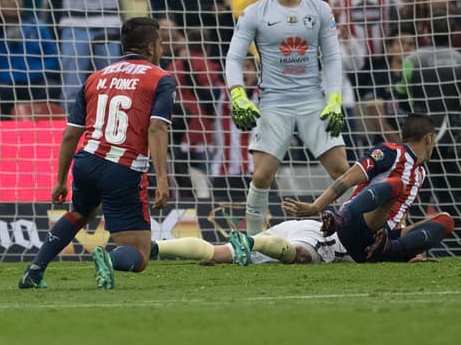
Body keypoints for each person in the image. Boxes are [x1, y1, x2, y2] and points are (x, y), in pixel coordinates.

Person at [19, 17, 174, 290]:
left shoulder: (95, 77)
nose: (161, 47)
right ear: (150, 48)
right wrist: (163, 178)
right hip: (122, 168)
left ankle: (35, 270)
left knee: (81, 212)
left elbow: (70, 134)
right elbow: (157, 128)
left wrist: (59, 180)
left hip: (87, 161)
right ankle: (108, 259)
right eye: (160, 43)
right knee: (139, 254)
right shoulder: (160, 79)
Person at [225, 0, 346, 235]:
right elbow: (233, 58)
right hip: (274, 103)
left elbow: (331, 57)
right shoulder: (255, 12)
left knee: (343, 172)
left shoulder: (319, 9)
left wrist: (335, 98)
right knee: (262, 175)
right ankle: (254, 242)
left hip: (313, 101)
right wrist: (238, 94)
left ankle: (353, 236)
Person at [281, 114, 452, 264]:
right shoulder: (390, 152)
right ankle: (340, 218)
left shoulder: (420, 173)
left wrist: (414, 249)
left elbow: (400, 214)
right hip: (353, 227)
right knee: (397, 185)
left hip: (376, 242)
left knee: (445, 220)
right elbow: (346, 178)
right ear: (429, 138)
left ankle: (391, 249)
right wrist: (316, 207)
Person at [153, 218, 349, 265]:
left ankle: (154, 248)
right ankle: (251, 242)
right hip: (324, 236)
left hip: (300, 226)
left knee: (220, 254)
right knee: (301, 256)